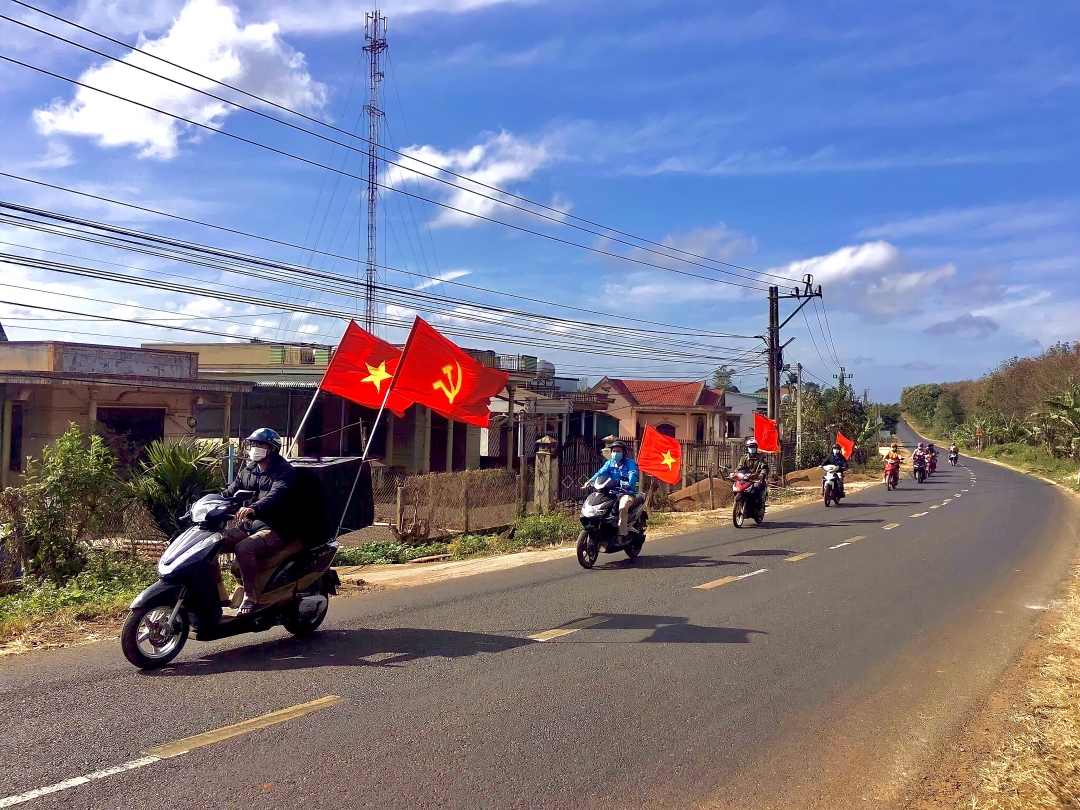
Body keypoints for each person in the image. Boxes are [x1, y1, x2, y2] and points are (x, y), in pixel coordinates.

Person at [221, 428, 300, 614]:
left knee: (244, 548)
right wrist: (208, 502)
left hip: (275, 528)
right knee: (214, 540)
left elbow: (276, 495)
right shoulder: (248, 472)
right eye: (252, 444)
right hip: (250, 526)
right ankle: (218, 593)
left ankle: (251, 596)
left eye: (259, 444)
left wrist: (253, 508)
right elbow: (230, 492)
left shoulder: (285, 472)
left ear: (272, 448)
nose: (254, 448)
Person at [586, 440, 639, 537]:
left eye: (618, 451)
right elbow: (600, 472)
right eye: (613, 451)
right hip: (611, 491)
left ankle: (622, 534)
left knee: (622, 507)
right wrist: (590, 481)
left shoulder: (630, 463)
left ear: (624, 453)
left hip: (626, 492)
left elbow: (633, 474)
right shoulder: (609, 463)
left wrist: (628, 483)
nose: (615, 453)